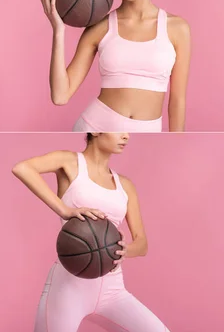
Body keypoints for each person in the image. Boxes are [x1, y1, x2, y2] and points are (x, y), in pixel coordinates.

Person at [12, 132, 171, 331]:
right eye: (119, 130)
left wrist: (123, 250)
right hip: (69, 288)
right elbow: (22, 168)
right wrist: (64, 210)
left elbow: (142, 244)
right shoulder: (69, 161)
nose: (126, 136)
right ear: (95, 130)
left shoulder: (125, 185)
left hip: (112, 289)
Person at [41, 0, 191, 132]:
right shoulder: (100, 27)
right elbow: (60, 96)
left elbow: (177, 101)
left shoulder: (177, 28)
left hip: (149, 132)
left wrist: (176, 144)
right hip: (95, 128)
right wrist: (58, 31)